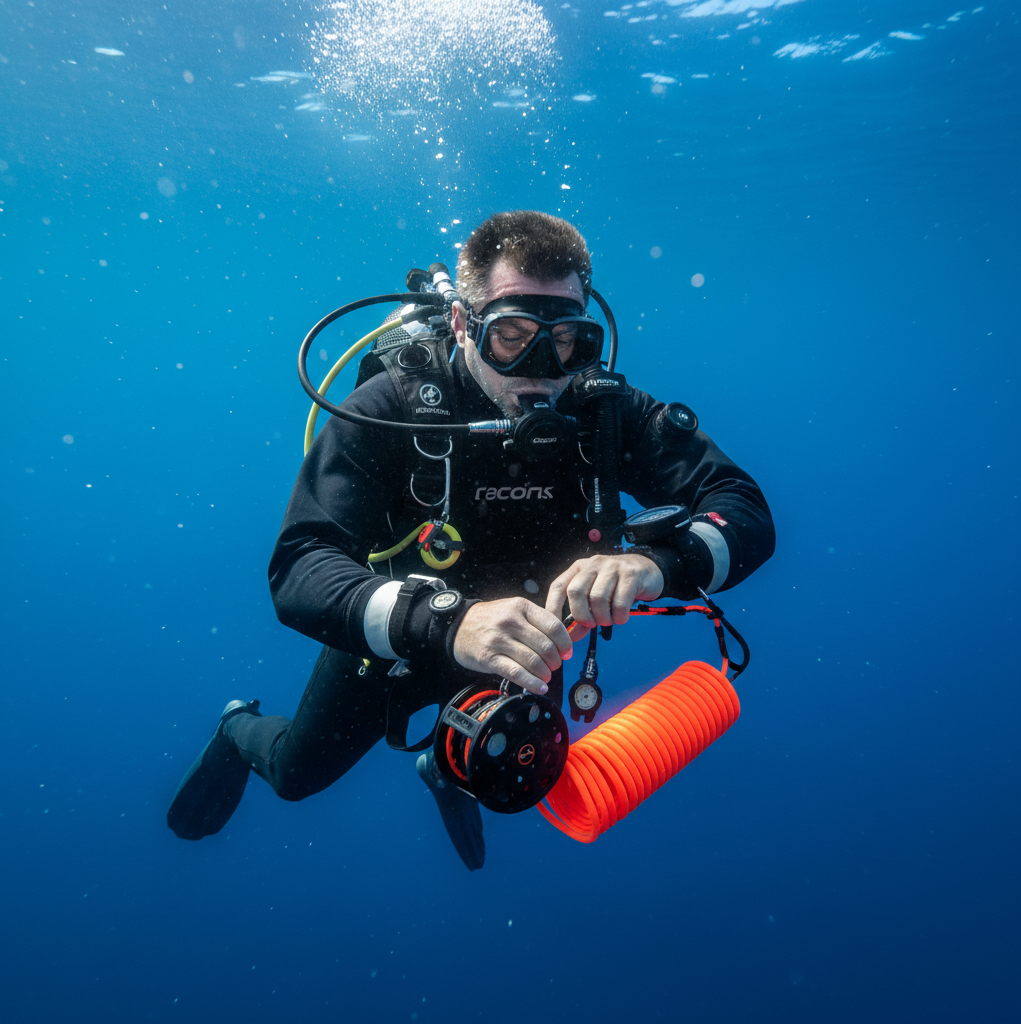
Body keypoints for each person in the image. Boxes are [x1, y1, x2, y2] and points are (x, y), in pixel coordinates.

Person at [167, 210, 775, 869]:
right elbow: (299, 567)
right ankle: (235, 726)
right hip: (397, 641)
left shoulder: (606, 413)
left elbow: (743, 509)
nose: (544, 369)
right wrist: (446, 622)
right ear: (462, 324)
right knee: (294, 776)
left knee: (520, 771)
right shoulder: (391, 408)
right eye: (512, 337)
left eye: (568, 340)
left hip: (531, 642)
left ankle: (444, 765)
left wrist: (657, 564)